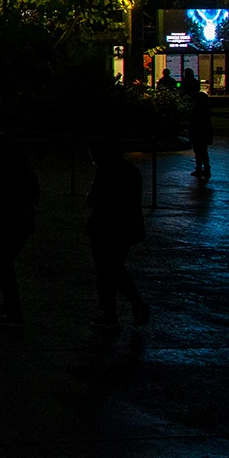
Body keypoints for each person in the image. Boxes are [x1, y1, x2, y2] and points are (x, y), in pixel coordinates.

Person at [0, 133, 39, 327]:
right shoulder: (26, 171)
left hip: (1, 223)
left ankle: (12, 307)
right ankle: (10, 305)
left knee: (4, 267)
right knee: (7, 265)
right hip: (21, 224)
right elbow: (34, 197)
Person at [86, 140, 151, 329]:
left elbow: (95, 199)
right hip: (126, 227)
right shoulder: (130, 170)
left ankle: (111, 313)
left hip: (106, 227)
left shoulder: (105, 171)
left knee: (106, 269)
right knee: (115, 268)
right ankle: (124, 308)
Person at [188, 82, 214, 179]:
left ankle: (200, 168)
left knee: (198, 151)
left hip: (197, 133)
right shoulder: (206, 108)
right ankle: (205, 168)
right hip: (204, 132)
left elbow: (193, 120)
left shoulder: (196, 109)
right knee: (203, 151)